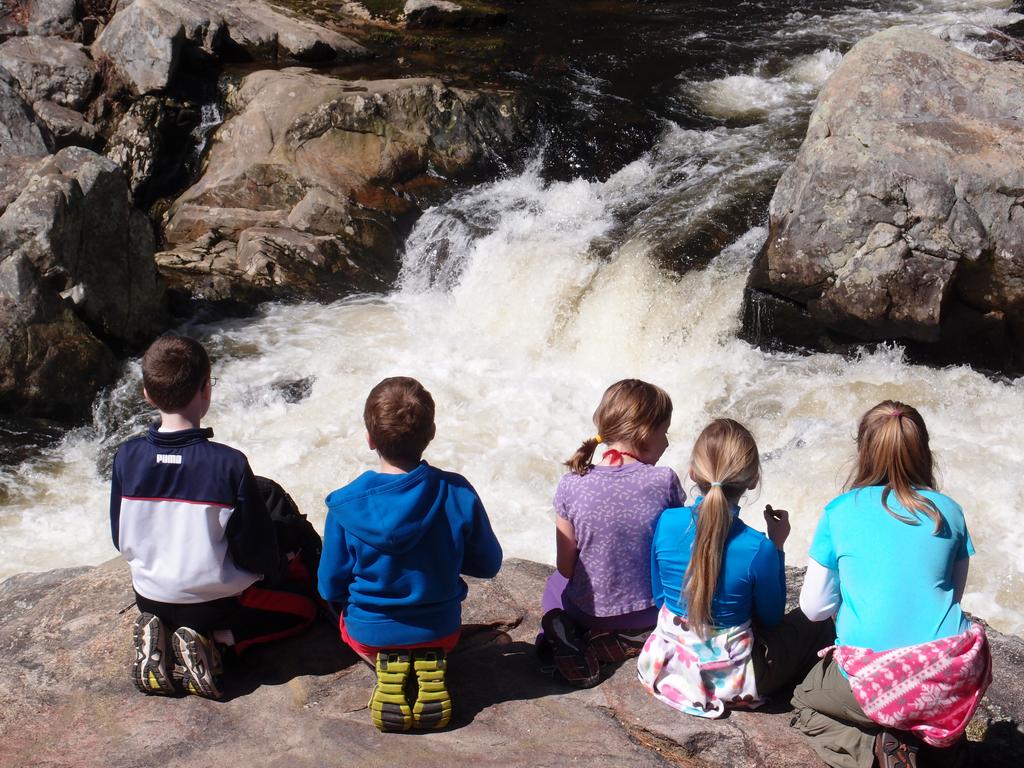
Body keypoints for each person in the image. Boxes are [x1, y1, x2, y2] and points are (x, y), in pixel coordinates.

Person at [111, 334, 318, 700]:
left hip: (149, 595)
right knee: (303, 611)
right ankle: (218, 644)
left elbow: (119, 535)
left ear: (146, 392)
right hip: (215, 606)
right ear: (206, 389)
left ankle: (161, 630)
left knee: (175, 600)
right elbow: (252, 551)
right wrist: (278, 567)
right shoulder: (229, 464)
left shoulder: (126, 456)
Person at [792, 401, 991, 768]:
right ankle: (930, 737)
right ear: (924, 450)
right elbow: (952, 597)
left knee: (804, 701)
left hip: (872, 679)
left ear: (863, 451)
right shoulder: (949, 511)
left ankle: (881, 751)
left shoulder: (840, 510)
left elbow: (814, 608)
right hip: (948, 680)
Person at [318, 376, 503, 732]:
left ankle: (387, 664)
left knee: (335, 613)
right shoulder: (456, 491)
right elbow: (489, 564)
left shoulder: (344, 504)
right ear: (431, 433)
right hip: (441, 632)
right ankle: (426, 663)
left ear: (370, 439)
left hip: (369, 637)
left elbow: (329, 587)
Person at [637, 418, 833, 718]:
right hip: (733, 681)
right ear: (752, 479)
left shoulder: (666, 522)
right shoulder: (759, 548)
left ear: (693, 472)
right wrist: (777, 546)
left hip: (666, 663)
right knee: (819, 619)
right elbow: (770, 620)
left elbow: (661, 597)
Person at [538, 379, 684, 688]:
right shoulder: (664, 480)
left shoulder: (571, 484)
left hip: (588, 613)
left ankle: (557, 640)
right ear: (645, 432)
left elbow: (566, 566)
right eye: (664, 432)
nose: (667, 443)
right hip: (649, 612)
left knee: (555, 584)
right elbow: (678, 551)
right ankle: (631, 637)